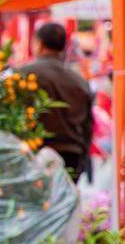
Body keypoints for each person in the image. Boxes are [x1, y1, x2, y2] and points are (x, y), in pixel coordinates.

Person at [18, 22, 94, 181]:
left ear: (39, 44)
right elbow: (88, 126)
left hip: (35, 153)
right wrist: (84, 158)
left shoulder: (24, 75)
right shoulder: (79, 81)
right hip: (72, 155)